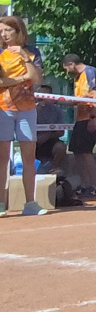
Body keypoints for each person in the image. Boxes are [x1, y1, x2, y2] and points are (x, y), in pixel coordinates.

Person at [0, 14, 46, 216]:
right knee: (2, 158)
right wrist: (21, 79)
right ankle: (1, 203)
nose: (4, 34)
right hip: (3, 109)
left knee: (29, 156)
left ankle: (30, 202)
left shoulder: (32, 52)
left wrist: (25, 57)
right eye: (1, 31)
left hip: (27, 110)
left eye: (8, 30)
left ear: (18, 31)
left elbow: (36, 78)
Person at [61, 53, 96, 196]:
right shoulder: (78, 78)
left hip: (91, 117)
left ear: (71, 64)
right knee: (77, 151)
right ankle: (84, 184)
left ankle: (94, 185)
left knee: (86, 152)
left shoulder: (90, 72)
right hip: (80, 118)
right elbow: (80, 99)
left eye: (66, 69)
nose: (67, 72)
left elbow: (95, 95)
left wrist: (93, 117)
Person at [35, 96, 68, 175]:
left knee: (61, 147)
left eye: (44, 97)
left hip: (51, 140)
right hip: (33, 140)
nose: (41, 100)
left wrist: (48, 135)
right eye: (39, 97)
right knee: (27, 146)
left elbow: (61, 132)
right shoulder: (31, 110)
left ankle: (53, 171)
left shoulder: (57, 110)